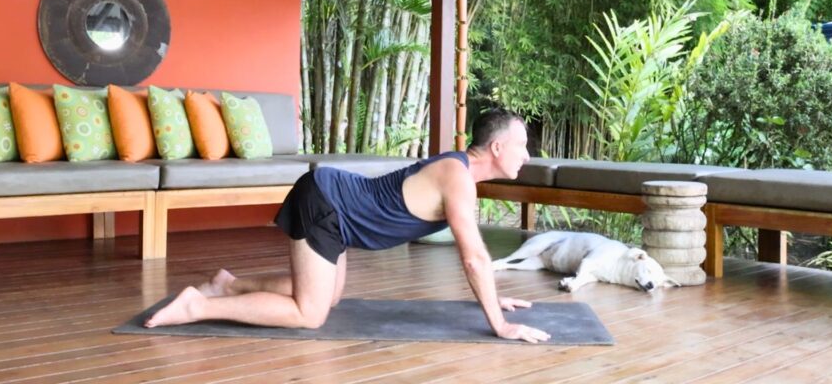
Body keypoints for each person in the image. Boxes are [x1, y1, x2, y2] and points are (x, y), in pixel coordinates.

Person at [145, 108, 551, 344]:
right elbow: (475, 259)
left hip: (337, 209)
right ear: (497, 148)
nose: (527, 156)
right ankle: (196, 306)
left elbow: (476, 260)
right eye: (522, 145)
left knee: (331, 296)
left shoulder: (458, 173)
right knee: (311, 314)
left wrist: (493, 297)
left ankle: (227, 284)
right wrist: (499, 324)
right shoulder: (457, 176)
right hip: (327, 203)